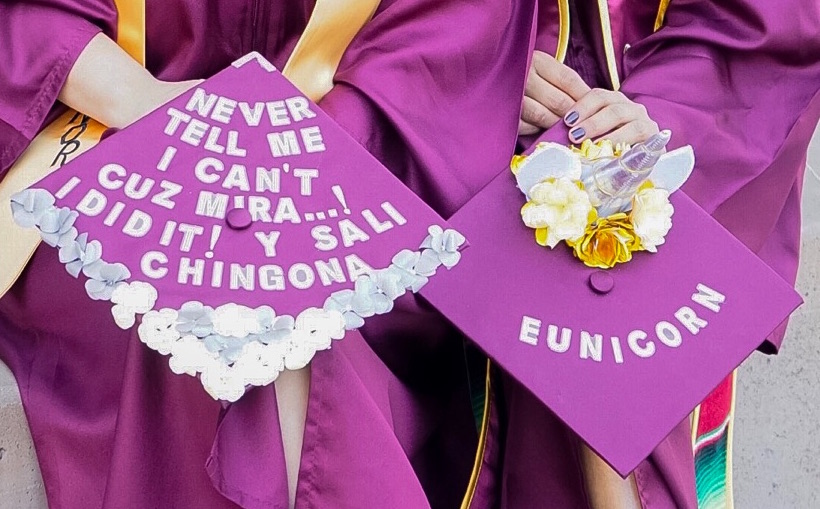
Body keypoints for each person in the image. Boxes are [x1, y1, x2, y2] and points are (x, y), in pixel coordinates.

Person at [0, 1, 538, 508]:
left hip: (343, 177)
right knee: (183, 310)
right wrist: (146, 104)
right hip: (116, 149)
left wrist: (272, 164)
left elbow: (437, 41)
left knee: (294, 327)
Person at [460, 0, 820, 508]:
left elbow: (773, 20)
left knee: (612, 356)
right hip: (458, 155)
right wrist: (466, 72)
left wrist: (655, 125)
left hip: (673, 110)